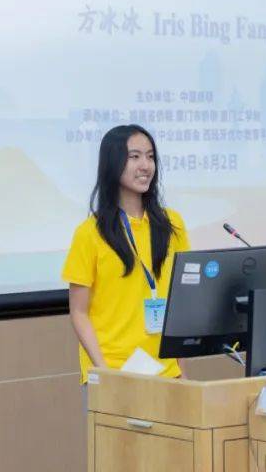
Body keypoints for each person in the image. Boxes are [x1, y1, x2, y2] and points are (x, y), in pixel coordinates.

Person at [61, 124, 190, 395]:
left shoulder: (172, 224)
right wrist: (105, 373)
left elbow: (180, 303)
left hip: (166, 373)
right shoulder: (90, 233)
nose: (145, 165)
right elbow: (79, 312)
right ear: (113, 162)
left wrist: (181, 370)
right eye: (134, 157)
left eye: (150, 156)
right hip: (112, 372)